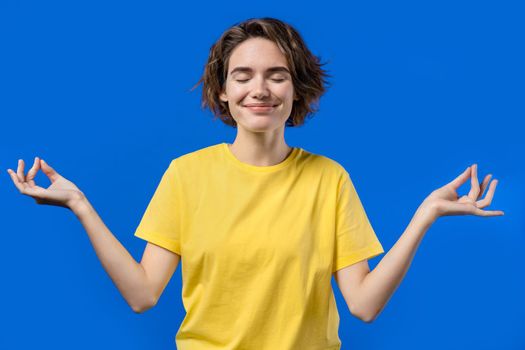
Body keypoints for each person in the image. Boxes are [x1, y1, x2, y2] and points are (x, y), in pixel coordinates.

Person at [7, 17, 504, 350]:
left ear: (297, 89)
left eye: (277, 75)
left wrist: (425, 216)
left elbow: (364, 306)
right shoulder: (187, 175)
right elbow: (142, 295)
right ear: (222, 92)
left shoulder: (328, 180)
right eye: (242, 76)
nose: (260, 89)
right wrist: (80, 204)